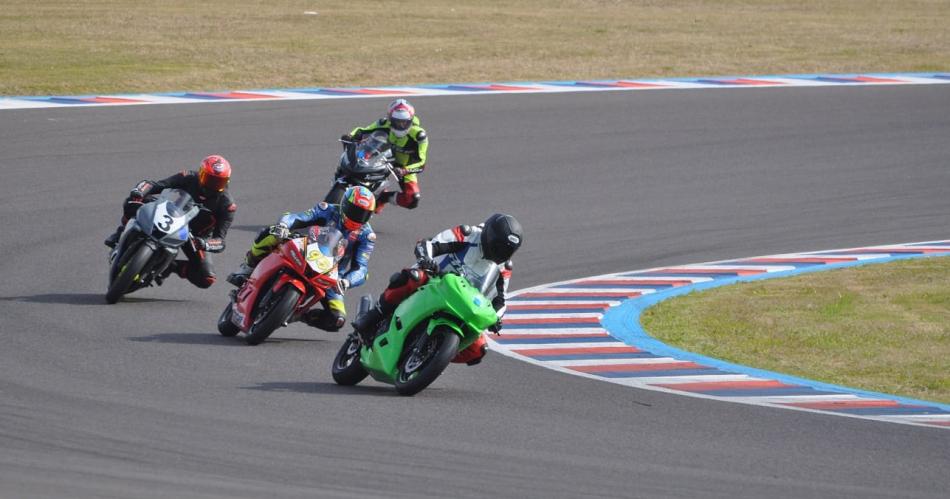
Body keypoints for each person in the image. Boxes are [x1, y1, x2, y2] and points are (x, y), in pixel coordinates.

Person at [352, 213, 523, 366]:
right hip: (434, 280)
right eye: (499, 246)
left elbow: (500, 300)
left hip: (463, 301)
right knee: (413, 277)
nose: (500, 253)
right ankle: (372, 317)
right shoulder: (468, 234)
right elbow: (430, 244)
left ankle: (433, 356)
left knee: (478, 349)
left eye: (507, 250)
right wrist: (426, 258)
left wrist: (496, 318)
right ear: (489, 236)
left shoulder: (504, 267)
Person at [227, 186, 377, 332]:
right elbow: (297, 217)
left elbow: (361, 268)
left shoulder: (366, 236)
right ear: (345, 205)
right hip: (303, 249)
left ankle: (297, 314)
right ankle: (248, 266)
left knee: (337, 319)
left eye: (363, 214)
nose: (357, 217)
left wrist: (346, 281)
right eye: (355, 211)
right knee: (272, 233)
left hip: (330, 274)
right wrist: (284, 225)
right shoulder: (328, 210)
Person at [104, 155, 236, 289]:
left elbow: (220, 241)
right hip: (170, 214)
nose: (212, 185)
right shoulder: (188, 177)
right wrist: (139, 192)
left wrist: (205, 243)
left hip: (193, 237)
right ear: (201, 173)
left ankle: (171, 267)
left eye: (218, 182)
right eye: (209, 179)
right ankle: (120, 233)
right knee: (132, 202)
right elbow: (155, 185)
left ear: (227, 182)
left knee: (206, 279)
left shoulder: (227, 205)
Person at [341, 99, 428, 210]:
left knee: (412, 199)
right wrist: (350, 136)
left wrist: (404, 170)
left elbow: (421, 164)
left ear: (410, 120)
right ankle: (344, 175)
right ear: (390, 119)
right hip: (381, 158)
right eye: (396, 122)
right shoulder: (383, 123)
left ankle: (383, 197)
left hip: (404, 166)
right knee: (358, 163)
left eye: (404, 122)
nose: (400, 125)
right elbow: (362, 130)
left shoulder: (419, 135)